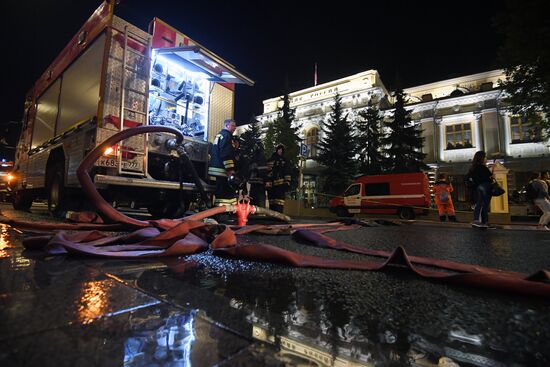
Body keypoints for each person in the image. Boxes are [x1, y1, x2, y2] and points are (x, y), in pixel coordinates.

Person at [208, 119, 237, 207]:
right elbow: (226, 153)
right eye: (233, 126)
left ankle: (221, 211)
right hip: (222, 169)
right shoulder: (227, 136)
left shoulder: (220, 135)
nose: (235, 128)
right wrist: (230, 169)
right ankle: (222, 212)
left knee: (220, 190)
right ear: (227, 125)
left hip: (217, 167)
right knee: (225, 192)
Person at [467, 150, 493, 228]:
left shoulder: (473, 168)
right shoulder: (482, 168)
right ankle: (477, 220)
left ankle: (483, 221)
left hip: (476, 190)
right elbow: (488, 179)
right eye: (485, 157)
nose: (486, 159)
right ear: (481, 158)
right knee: (482, 205)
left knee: (481, 205)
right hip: (482, 189)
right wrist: (491, 176)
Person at [266, 144, 291, 213]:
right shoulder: (270, 160)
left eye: (281, 150)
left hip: (280, 184)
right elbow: (267, 171)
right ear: (276, 150)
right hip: (271, 184)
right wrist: (267, 181)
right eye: (279, 149)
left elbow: (287, 171)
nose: (280, 151)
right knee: (271, 200)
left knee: (279, 201)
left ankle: (279, 215)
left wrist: (287, 181)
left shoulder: (284, 160)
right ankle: (271, 216)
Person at [248, 142, 268, 207]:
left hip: (253, 182)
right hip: (260, 183)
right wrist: (265, 181)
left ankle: (252, 212)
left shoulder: (252, 157)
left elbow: (249, 169)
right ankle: (260, 213)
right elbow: (264, 171)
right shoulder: (262, 157)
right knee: (260, 199)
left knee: (253, 198)